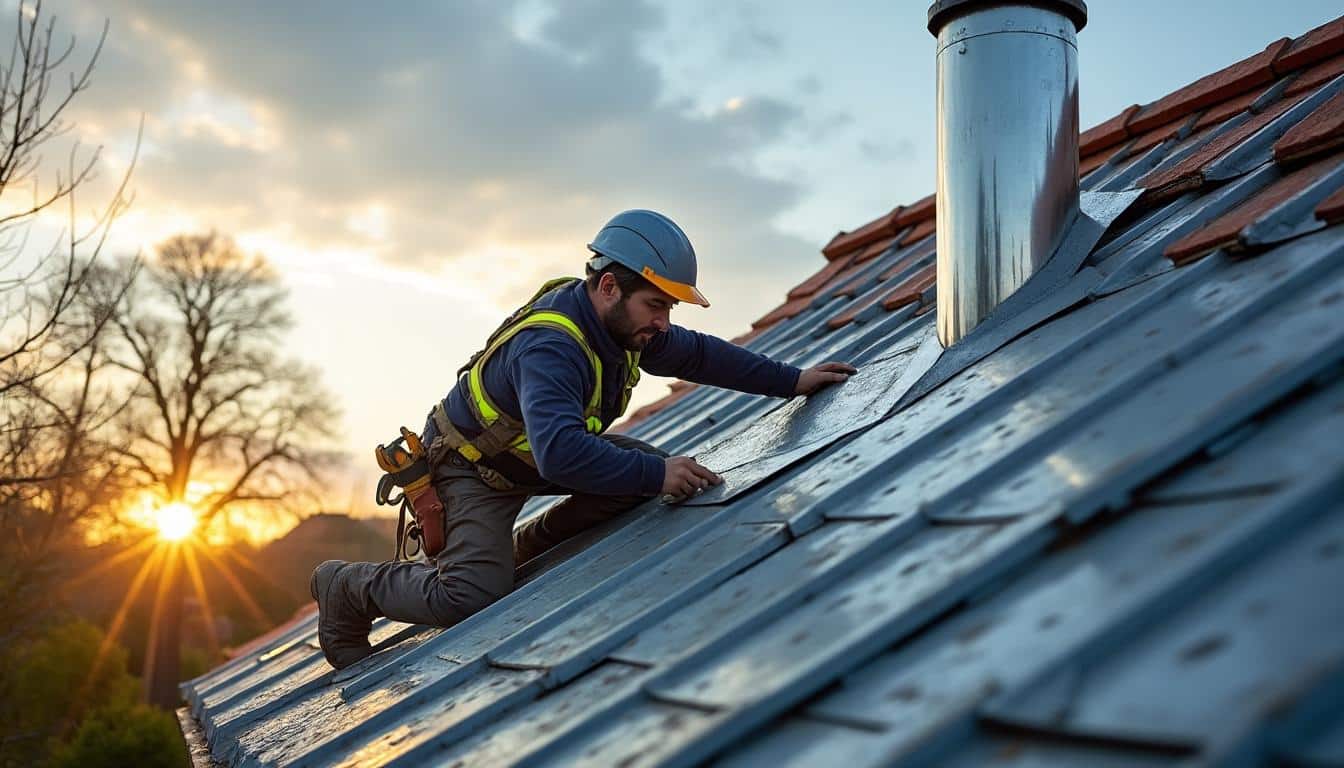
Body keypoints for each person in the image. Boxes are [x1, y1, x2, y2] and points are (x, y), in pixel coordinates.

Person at [311, 209, 857, 669]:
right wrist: (658, 473)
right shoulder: (552, 347)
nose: (664, 323)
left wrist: (792, 380)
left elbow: (699, 354)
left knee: (646, 476)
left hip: (532, 456)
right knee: (472, 595)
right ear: (609, 286)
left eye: (669, 308)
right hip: (471, 469)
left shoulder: (622, 326)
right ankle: (347, 585)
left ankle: (521, 548)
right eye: (658, 305)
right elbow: (562, 453)